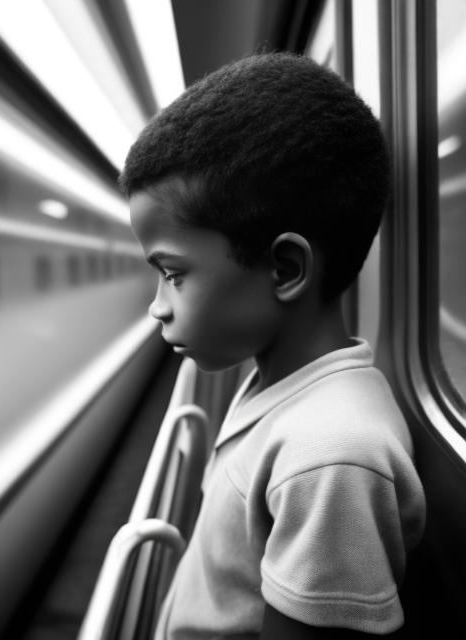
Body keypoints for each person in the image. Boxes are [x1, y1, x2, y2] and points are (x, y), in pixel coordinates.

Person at [119, 53, 426, 639]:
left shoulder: (331, 459)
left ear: (285, 267)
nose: (158, 305)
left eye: (174, 274)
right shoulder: (280, 386)